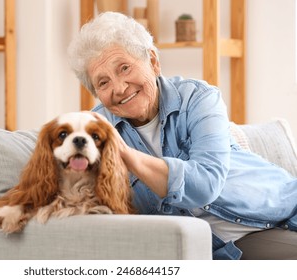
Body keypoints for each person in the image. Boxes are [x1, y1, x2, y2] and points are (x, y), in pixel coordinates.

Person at [67, 11, 297, 260]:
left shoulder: (198, 99)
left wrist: (125, 155)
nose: (119, 88)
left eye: (124, 68)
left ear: (153, 62)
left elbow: (206, 183)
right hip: (218, 247)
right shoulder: (93, 132)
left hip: (278, 212)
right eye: (103, 83)